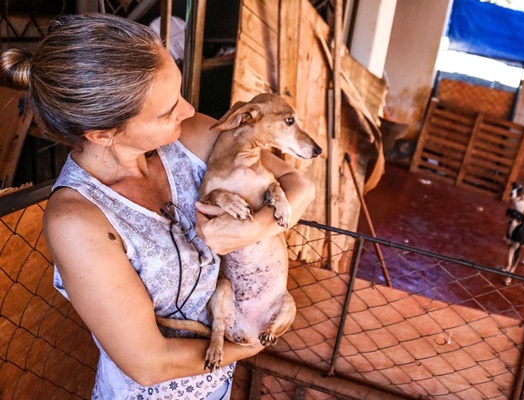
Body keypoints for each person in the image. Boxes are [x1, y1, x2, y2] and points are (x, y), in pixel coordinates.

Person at [0, 13, 315, 399]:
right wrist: (248, 346)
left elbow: (298, 185)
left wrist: (257, 227)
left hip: (217, 386)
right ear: (103, 134)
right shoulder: (77, 220)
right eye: (168, 110)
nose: (187, 109)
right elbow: (149, 363)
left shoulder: (192, 136)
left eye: (179, 93)